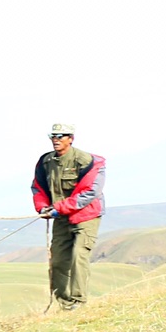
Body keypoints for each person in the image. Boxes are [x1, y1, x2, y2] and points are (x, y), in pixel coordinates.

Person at [31, 123, 105, 310]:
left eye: (61, 136)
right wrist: (42, 208)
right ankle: (64, 304)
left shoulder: (87, 161)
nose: (56, 139)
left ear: (71, 138)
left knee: (78, 256)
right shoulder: (45, 162)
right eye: (53, 136)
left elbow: (90, 192)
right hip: (61, 217)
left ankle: (78, 302)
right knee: (58, 260)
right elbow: (38, 187)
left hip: (86, 216)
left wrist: (60, 208)